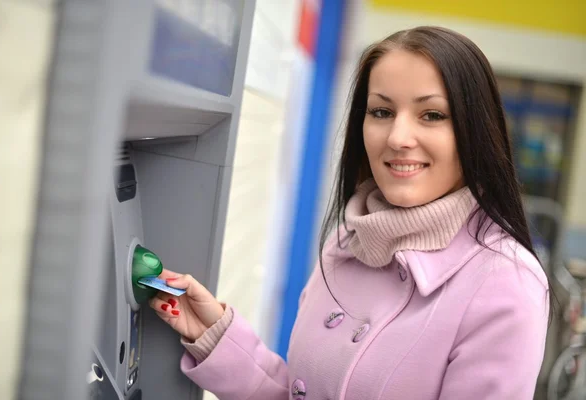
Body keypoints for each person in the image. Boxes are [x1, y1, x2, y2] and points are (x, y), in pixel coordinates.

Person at [149, 26, 551, 400]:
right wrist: (216, 334)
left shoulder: (505, 284)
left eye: (432, 115)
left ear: (475, 130)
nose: (397, 137)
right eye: (381, 112)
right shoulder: (348, 242)